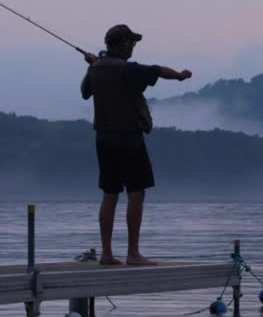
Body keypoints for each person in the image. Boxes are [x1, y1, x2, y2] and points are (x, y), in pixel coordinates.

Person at [81, 24, 192, 266]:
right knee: (136, 194)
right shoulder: (128, 70)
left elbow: (84, 91)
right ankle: (133, 254)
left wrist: (92, 66)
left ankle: (107, 254)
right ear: (119, 44)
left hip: (103, 139)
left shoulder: (97, 69)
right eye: (131, 42)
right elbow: (159, 70)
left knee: (109, 195)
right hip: (129, 139)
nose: (133, 46)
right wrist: (181, 75)